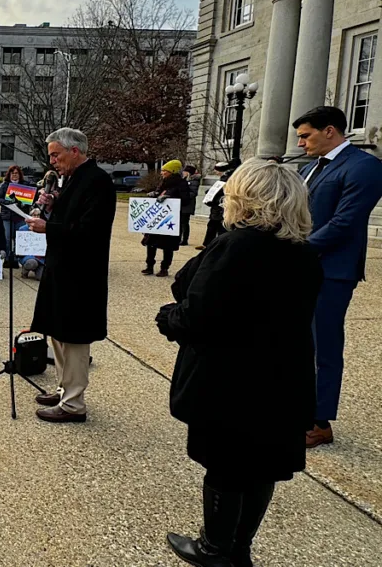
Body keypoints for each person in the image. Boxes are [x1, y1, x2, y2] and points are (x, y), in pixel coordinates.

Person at [156, 159, 322, 567]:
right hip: (283, 375)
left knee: (227, 465)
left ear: (245, 198)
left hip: (232, 379)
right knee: (261, 466)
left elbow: (196, 313)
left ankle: (215, 548)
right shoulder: (303, 252)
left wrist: (166, 318)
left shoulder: (238, 246)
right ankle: (238, 546)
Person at [292, 106, 382, 448]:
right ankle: (298, 409)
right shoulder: (309, 168)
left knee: (324, 346)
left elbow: (346, 222)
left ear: (330, 130)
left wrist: (296, 251)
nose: (301, 143)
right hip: (301, 266)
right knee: (298, 343)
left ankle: (320, 421)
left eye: (306, 135)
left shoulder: (365, 167)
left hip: (332, 271)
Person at [24, 128, 115, 423]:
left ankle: (74, 404)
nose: (52, 161)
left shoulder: (98, 181)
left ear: (74, 151)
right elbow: (71, 218)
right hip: (62, 268)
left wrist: (47, 227)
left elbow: (90, 231)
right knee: (58, 331)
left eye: (56, 154)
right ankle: (64, 388)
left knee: (74, 338)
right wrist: (53, 207)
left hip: (81, 273)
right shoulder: (74, 179)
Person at [142, 160, 188, 277]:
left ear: (171, 171)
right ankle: (149, 266)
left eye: (164, 171)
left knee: (168, 246)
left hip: (170, 219)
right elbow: (159, 193)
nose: (162, 173)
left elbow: (185, 200)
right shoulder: (163, 183)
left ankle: (164, 268)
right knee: (151, 242)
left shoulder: (181, 184)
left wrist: (170, 198)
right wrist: (154, 194)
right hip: (157, 217)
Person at [197, 162, 232, 251]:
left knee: (219, 227)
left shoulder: (227, 179)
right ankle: (207, 244)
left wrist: (211, 195)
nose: (216, 172)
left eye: (217, 170)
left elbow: (221, 192)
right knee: (212, 226)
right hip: (217, 206)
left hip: (220, 206)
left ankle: (216, 245)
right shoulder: (223, 179)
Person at [0, 164, 27, 249]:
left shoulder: (25, 185)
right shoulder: (4, 185)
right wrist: (8, 203)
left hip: (20, 216)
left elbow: (30, 199)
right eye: (12, 173)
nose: (14, 175)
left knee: (19, 239)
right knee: (7, 238)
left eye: (16, 173)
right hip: (7, 216)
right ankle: (7, 258)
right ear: (9, 175)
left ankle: (17, 258)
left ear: (19, 174)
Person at [18, 207, 45, 279]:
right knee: (32, 263)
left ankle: (38, 270)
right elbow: (19, 247)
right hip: (28, 257)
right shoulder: (22, 229)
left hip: (41, 258)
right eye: (34, 215)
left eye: (38, 215)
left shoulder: (44, 229)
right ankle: (25, 270)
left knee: (41, 278)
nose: (36, 217)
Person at [180, 165, 200, 247]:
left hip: (187, 204)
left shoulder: (194, 181)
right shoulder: (183, 181)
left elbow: (193, 193)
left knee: (184, 223)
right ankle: (180, 238)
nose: (183, 173)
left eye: (185, 172)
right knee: (181, 222)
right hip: (182, 204)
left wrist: (184, 197)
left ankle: (184, 239)